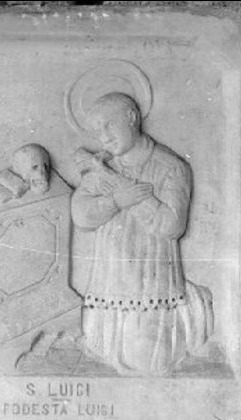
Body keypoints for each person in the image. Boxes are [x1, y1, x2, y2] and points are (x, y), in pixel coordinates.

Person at [71, 92, 213, 376]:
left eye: (109, 125)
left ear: (132, 117)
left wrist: (137, 199)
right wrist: (115, 201)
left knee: (148, 363)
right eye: (97, 130)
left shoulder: (171, 167)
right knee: (101, 354)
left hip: (150, 282)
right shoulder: (103, 166)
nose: (103, 137)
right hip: (108, 281)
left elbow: (172, 226)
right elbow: (81, 215)